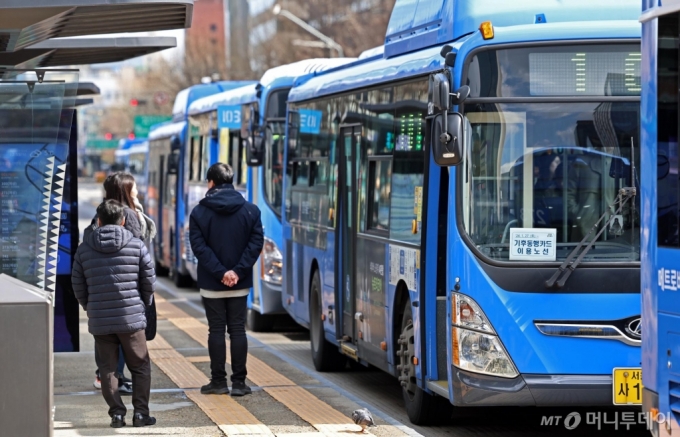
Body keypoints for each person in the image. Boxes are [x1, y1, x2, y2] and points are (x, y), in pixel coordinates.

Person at [72, 199, 157, 428]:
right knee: (140, 366)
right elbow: (149, 280)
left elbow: (77, 283)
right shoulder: (137, 245)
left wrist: (89, 306)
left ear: (98, 221)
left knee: (108, 369)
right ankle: (141, 414)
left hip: (101, 320)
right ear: (123, 220)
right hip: (131, 320)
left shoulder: (84, 248)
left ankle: (117, 414)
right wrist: (143, 303)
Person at [189, 163, 264, 397]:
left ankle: (218, 382)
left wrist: (220, 272)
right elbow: (256, 244)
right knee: (238, 330)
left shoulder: (199, 212)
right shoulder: (251, 211)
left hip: (212, 283)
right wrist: (237, 272)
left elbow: (199, 248)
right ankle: (239, 384)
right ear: (231, 182)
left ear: (211, 183)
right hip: (239, 284)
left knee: (216, 330)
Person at [87, 172, 143, 393]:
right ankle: (114, 377)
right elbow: (139, 254)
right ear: (125, 190)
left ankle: (106, 375)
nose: (137, 191)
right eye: (134, 187)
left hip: (101, 287)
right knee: (124, 335)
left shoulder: (99, 214)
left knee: (106, 334)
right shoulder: (129, 215)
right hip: (125, 288)